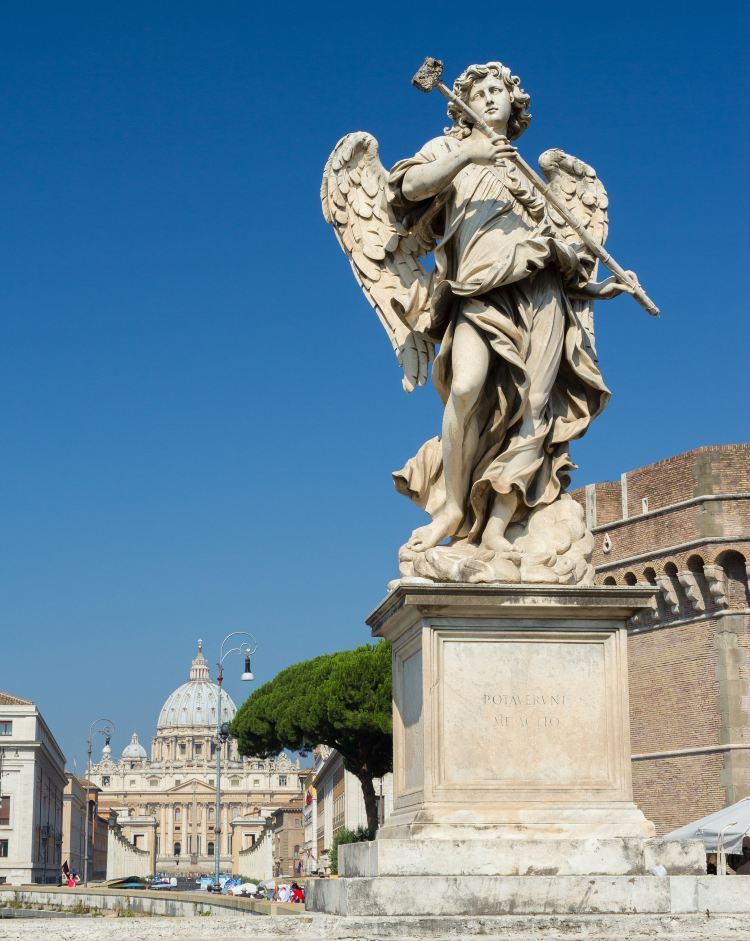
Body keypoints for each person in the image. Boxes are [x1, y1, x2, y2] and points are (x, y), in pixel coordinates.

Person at [388, 62, 634, 557]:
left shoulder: (529, 172)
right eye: (480, 93)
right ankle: (454, 509)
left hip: (541, 293)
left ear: (514, 104)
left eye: (500, 91)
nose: (491, 99)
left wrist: (597, 288)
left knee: (535, 409)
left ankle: (500, 522)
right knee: (464, 390)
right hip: (477, 292)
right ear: (464, 104)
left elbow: (562, 248)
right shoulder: (448, 151)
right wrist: (468, 154)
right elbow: (409, 190)